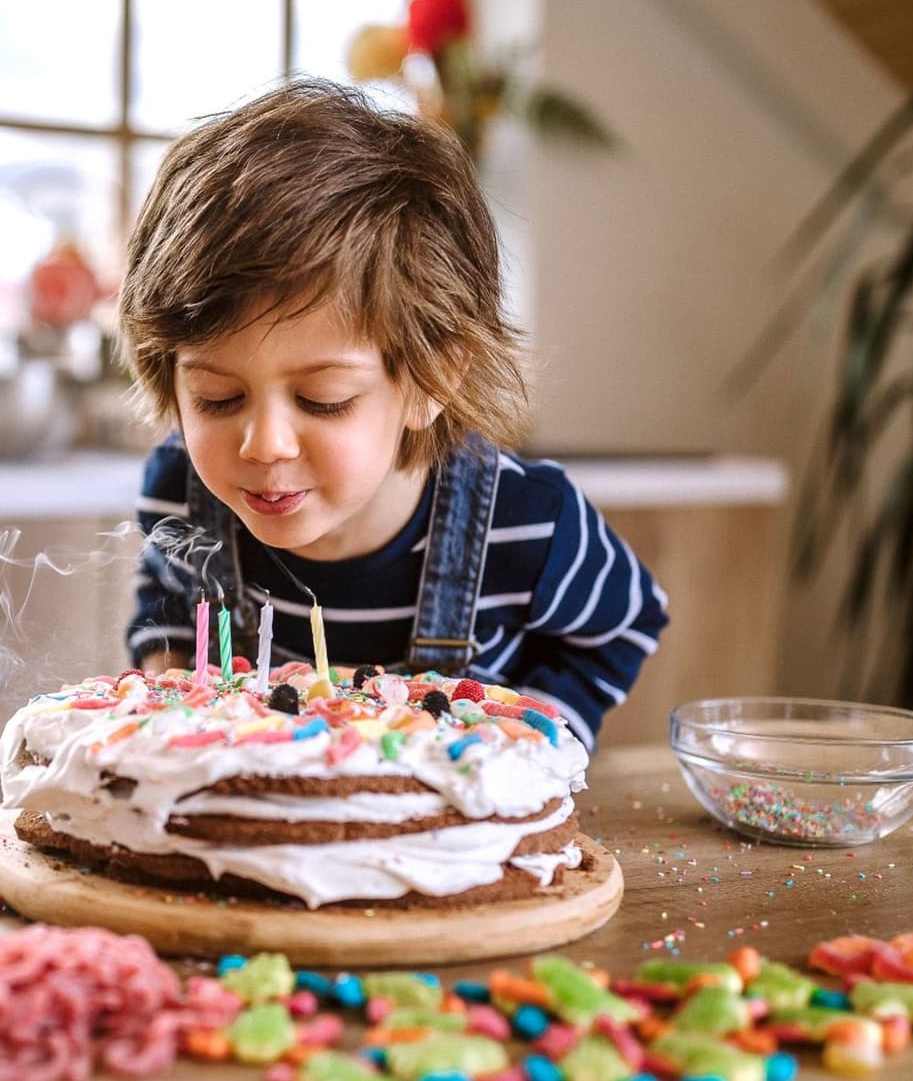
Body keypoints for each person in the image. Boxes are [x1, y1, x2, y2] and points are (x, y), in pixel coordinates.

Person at [121, 78, 667, 749]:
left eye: (325, 400)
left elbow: (625, 626)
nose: (264, 444)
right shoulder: (179, 490)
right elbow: (166, 601)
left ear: (432, 374)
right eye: (218, 398)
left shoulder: (527, 524)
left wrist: (538, 731)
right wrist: (168, 674)